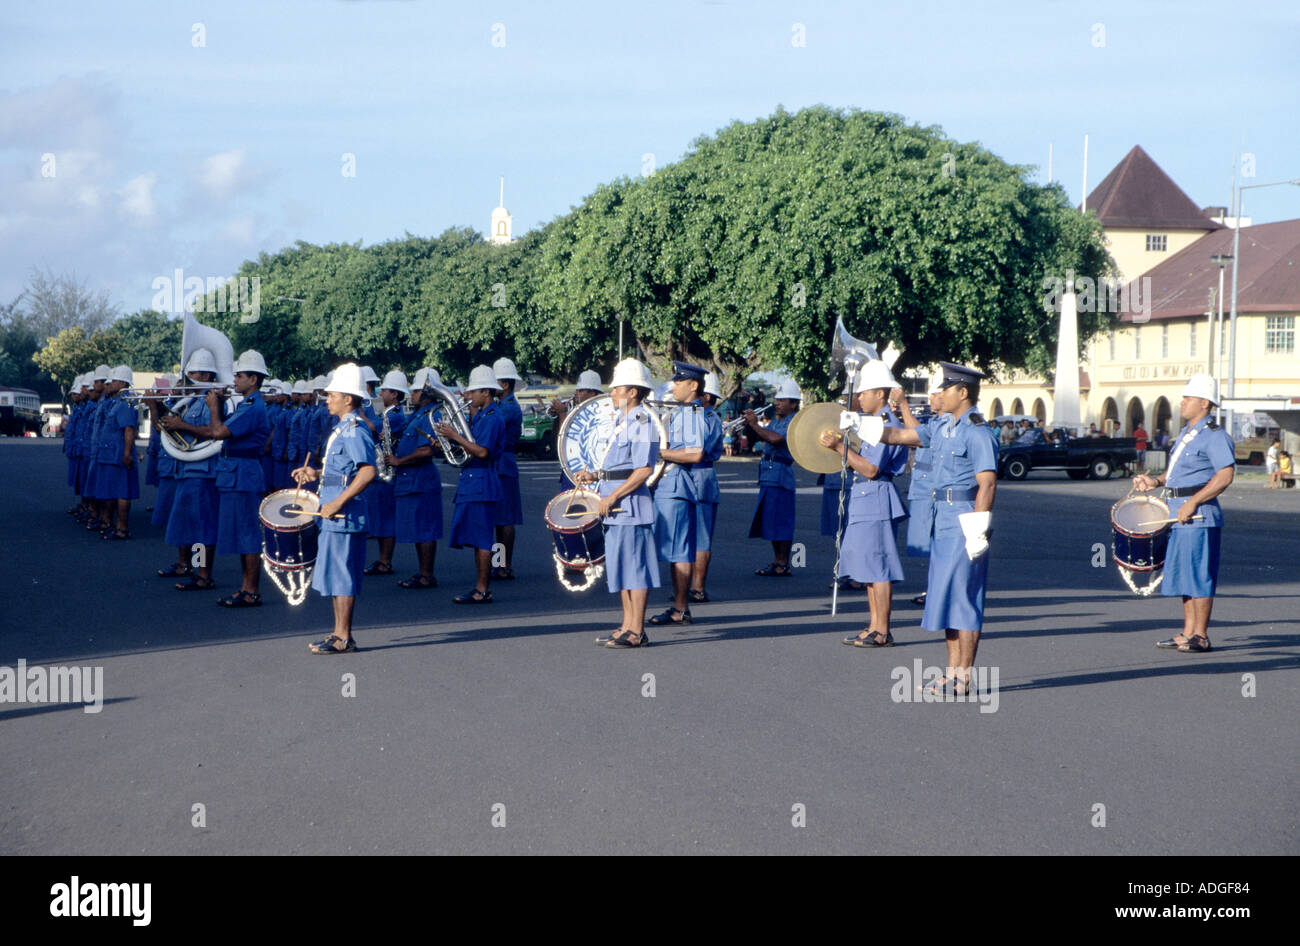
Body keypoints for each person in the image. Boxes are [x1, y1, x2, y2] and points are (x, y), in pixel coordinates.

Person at [868, 362, 998, 696]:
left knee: (964, 598)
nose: (938, 394)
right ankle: (952, 671)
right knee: (946, 598)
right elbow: (897, 435)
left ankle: (964, 676)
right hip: (941, 517)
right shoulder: (942, 426)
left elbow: (987, 483)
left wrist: (978, 529)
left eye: (945, 389)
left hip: (964, 516)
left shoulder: (977, 430)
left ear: (963, 392)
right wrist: (860, 426)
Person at [1132, 374, 1235, 653]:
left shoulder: (1215, 436)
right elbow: (1179, 473)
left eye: (1188, 398)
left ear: (1204, 403)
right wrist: (1156, 482)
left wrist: (1194, 502)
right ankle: (1188, 631)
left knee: (1199, 575)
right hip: (1177, 512)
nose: (1183, 402)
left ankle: (1201, 635)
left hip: (1198, 515)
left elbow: (1225, 475)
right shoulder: (1189, 434)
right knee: (1185, 575)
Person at [820, 360, 909, 646]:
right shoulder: (871, 424)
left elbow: (871, 468)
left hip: (876, 495)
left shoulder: (885, 424)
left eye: (865, 392)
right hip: (865, 497)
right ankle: (874, 625)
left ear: (880, 394)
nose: (859, 397)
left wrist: (839, 448)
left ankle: (882, 630)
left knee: (878, 568)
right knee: (869, 569)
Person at [291, 364, 377, 654]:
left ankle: (344, 637)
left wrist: (339, 502)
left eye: (332, 395)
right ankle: (338, 634)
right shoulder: (342, 429)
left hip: (345, 515)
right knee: (335, 576)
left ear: (348, 399)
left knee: (343, 577)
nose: (327, 399)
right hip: (334, 515)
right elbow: (344, 472)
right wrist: (315, 474)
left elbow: (367, 472)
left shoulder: (354, 431)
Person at [575, 358, 661, 647]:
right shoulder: (624, 421)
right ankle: (626, 624)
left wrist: (612, 496)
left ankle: (637, 630)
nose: (611, 394)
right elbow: (619, 466)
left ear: (633, 392)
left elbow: (644, 470)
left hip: (630, 506)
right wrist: (594, 475)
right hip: (614, 506)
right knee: (621, 567)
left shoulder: (642, 422)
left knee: (635, 569)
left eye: (617, 389)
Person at [439, 365, 505, 603]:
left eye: (473, 392)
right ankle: (480, 587)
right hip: (473, 482)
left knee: (483, 539)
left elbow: (482, 451)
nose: (468, 396)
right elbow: (470, 447)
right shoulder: (481, 416)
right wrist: (448, 441)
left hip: (481, 483)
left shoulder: (492, 418)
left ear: (486, 392)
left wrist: (455, 436)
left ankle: (482, 589)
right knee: (478, 539)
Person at [648, 361, 706, 626]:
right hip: (667, 485)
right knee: (675, 551)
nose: (674, 386)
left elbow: (695, 453)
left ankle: (681, 608)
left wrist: (659, 454)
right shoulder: (680, 411)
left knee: (679, 551)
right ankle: (678, 607)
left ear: (693, 385)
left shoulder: (692, 414)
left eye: (679, 382)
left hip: (675, 485)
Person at [159, 350, 221, 591]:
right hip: (186, 469)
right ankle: (187, 566)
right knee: (187, 522)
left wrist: (181, 424)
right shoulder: (190, 399)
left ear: (207, 374)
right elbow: (166, 428)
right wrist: (156, 405)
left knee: (202, 525)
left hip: (203, 470)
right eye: (190, 372)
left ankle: (203, 574)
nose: (190, 376)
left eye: (195, 372)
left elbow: (212, 431)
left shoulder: (210, 398)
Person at [390, 371, 447, 588]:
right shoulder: (418, 415)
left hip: (421, 480)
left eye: (415, 390)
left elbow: (427, 451)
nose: (411, 394)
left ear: (427, 392)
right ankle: (422, 572)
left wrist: (399, 460)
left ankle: (426, 575)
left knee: (424, 529)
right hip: (412, 480)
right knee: (417, 528)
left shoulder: (432, 415)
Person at [746, 379, 802, 577]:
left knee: (782, 520)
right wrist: (752, 426)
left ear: (793, 403)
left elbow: (775, 439)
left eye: (782, 400)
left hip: (780, 473)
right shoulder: (777, 420)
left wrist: (754, 425)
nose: (777, 403)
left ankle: (784, 562)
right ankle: (778, 560)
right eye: (777, 400)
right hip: (769, 473)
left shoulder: (794, 421)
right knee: (771, 519)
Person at [899, 369, 946, 606]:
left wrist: (903, 405)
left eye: (934, 394)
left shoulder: (943, 423)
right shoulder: (936, 420)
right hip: (923, 489)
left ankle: (936, 590)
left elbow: (914, 434)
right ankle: (933, 588)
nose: (930, 399)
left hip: (933, 492)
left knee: (938, 543)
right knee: (929, 544)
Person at [91, 365, 140, 540]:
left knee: (122, 493)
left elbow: (128, 430)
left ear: (122, 382)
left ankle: (122, 528)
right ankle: (114, 525)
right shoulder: (116, 402)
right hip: (110, 454)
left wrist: (127, 454)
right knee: (112, 491)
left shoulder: (126, 403)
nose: (109, 385)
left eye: (113, 382)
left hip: (119, 455)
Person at [687, 370, 724, 602]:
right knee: (692, 535)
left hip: (699, 474)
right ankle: (691, 585)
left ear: (707, 397)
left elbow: (693, 452)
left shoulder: (704, 418)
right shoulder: (704, 416)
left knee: (700, 536)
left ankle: (697, 587)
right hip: (698, 475)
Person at [490, 357, 525, 580]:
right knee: (498, 520)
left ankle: (504, 564)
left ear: (504, 385)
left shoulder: (509, 408)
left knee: (505, 520)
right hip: (498, 463)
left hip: (504, 463)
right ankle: (498, 563)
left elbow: (491, 424)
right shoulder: (502, 406)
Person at [553, 369, 604, 489]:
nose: (576, 393)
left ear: (592, 393)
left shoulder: (600, 414)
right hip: (572, 469)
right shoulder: (575, 410)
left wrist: (562, 414)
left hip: (587, 471)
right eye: (576, 390)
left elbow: (566, 441)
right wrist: (557, 416)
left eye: (581, 391)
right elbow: (557, 440)